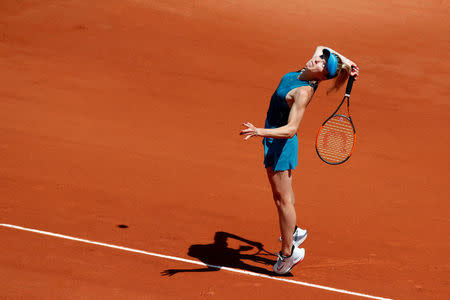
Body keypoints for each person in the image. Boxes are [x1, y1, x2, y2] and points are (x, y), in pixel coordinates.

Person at [239, 46, 359, 274]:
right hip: (275, 142)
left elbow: (291, 129)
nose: (318, 59)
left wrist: (259, 131)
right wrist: (349, 63)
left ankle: (288, 254)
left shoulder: (303, 91)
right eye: (321, 58)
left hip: (280, 144)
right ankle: (293, 231)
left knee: (282, 201)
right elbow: (323, 46)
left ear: (322, 77)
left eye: (323, 64)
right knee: (282, 196)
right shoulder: (302, 72)